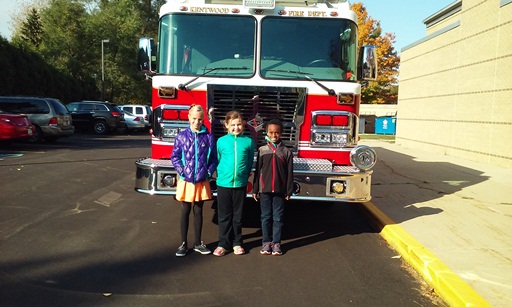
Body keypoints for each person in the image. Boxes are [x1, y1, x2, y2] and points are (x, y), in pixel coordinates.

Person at [171, 104, 217, 257]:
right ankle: (183, 243)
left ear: (204, 119)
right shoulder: (181, 136)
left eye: (200, 119)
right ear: (189, 117)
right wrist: (182, 171)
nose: (197, 122)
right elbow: (175, 157)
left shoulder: (209, 137)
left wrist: (209, 172)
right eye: (194, 119)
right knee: (185, 210)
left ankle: (198, 243)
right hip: (186, 180)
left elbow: (213, 159)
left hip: (202, 179)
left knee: (198, 210)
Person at [213, 111, 255, 256]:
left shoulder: (248, 142)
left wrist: (243, 175)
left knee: (238, 216)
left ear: (243, 125)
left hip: (240, 184)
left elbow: (249, 162)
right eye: (233, 125)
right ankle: (223, 244)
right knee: (224, 216)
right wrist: (223, 175)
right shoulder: (221, 141)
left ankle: (237, 243)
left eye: (238, 124)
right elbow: (218, 160)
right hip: (224, 183)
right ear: (226, 125)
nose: (236, 127)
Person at [252, 119, 294, 256]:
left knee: (278, 218)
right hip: (264, 190)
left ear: (281, 133)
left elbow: (289, 173)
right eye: (271, 132)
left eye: (277, 132)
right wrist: (255, 189)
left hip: (280, 191)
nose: (274, 135)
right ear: (267, 133)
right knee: (265, 217)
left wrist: (288, 190)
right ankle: (266, 242)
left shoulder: (286, 152)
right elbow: (258, 171)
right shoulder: (262, 150)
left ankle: (276, 243)